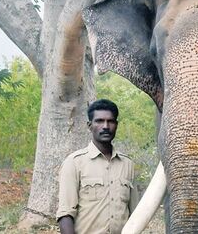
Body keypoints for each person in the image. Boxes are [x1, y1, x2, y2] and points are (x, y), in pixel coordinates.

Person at [56, 99, 139, 234]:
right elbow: (65, 214)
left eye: (110, 121)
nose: (105, 126)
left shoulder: (127, 164)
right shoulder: (74, 162)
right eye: (99, 121)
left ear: (116, 125)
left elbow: (135, 215)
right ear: (90, 126)